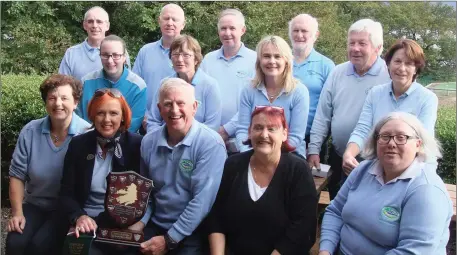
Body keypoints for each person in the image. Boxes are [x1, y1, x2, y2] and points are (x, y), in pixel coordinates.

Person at [319, 112, 453, 255]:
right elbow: (335, 211)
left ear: (418, 144)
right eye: (385, 137)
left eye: (401, 137)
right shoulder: (363, 170)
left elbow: (414, 251)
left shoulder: (426, 191)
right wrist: (325, 250)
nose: (391, 143)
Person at [207, 106, 318, 255]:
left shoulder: (298, 171)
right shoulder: (233, 165)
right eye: (258, 128)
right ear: (249, 132)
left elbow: (303, 229)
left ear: (284, 134)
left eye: (272, 129)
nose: (264, 134)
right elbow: (217, 217)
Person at [138, 78, 226, 254]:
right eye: (168, 104)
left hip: (193, 232)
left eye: (181, 103)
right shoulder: (148, 142)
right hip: (154, 224)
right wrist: (139, 223)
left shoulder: (210, 143)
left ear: (194, 107)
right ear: (159, 109)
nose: (174, 110)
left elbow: (201, 202)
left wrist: (169, 240)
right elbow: (146, 193)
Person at [6, 74, 91, 255]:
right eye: (52, 98)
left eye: (64, 98)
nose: (58, 103)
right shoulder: (30, 131)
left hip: (66, 209)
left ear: (75, 102)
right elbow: (17, 175)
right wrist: (17, 213)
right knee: (15, 242)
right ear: (45, 102)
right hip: (35, 204)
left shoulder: (86, 134)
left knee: (39, 246)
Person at [308, 19, 391, 199]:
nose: (355, 48)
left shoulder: (389, 75)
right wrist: (314, 149)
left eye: (362, 43)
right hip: (339, 159)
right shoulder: (338, 72)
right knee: (338, 207)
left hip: (376, 163)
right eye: (351, 43)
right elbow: (323, 115)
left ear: (378, 47)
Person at [59, 88, 143, 255]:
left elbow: (141, 196)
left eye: (113, 113)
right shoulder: (79, 144)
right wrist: (79, 217)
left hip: (119, 222)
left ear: (123, 116)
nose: (107, 119)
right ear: (92, 115)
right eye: (100, 113)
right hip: (85, 218)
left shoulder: (136, 145)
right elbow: (66, 193)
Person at [342, 39, 438, 175]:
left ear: (416, 68)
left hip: (415, 170)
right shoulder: (375, 93)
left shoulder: (427, 98)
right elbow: (363, 130)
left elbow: (422, 143)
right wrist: (349, 154)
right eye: (397, 61)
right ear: (388, 64)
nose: (402, 68)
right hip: (378, 167)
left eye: (409, 63)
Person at [236, 35, 309, 158]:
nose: (272, 61)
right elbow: (243, 130)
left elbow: (296, 136)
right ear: (259, 61)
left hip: (289, 154)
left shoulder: (299, 92)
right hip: (253, 153)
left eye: (277, 56)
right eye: (266, 56)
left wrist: (270, 157)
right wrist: (249, 154)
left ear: (286, 61)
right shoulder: (248, 90)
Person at [200, 8, 257, 152]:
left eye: (232, 28)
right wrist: (211, 131)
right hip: (209, 138)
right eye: (223, 28)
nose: (227, 33)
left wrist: (226, 130)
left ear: (242, 30)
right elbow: (200, 96)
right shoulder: (208, 60)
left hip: (241, 141)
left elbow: (254, 102)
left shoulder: (255, 60)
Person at [146, 34, 222, 133]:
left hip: (198, 144)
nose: (180, 59)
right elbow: (153, 121)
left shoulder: (210, 86)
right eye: (175, 55)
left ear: (196, 59)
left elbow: (212, 126)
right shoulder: (164, 84)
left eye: (186, 55)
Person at [289, 14, 335, 162]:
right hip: (280, 137)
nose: (299, 35)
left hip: (312, 141)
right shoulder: (280, 61)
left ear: (316, 35)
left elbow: (330, 108)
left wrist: (315, 145)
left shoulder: (326, 66)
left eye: (304, 31)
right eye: (295, 30)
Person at [77, 35, 146, 133]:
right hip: (88, 140)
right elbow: (79, 117)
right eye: (105, 55)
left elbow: (133, 124)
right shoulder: (86, 82)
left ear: (124, 57)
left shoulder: (138, 86)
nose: (110, 60)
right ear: (99, 56)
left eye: (116, 55)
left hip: (123, 143)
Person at [133, 3, 186, 120]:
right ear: (159, 21)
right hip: (146, 121)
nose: (170, 23)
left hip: (179, 121)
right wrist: (144, 118)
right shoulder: (145, 51)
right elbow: (135, 88)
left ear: (183, 24)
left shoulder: (189, 55)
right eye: (166, 18)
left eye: (174, 19)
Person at [58, 6, 130, 82]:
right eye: (90, 21)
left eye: (99, 21)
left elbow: (127, 83)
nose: (95, 26)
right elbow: (62, 85)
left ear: (107, 26)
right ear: (84, 25)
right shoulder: (71, 54)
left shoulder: (119, 52)